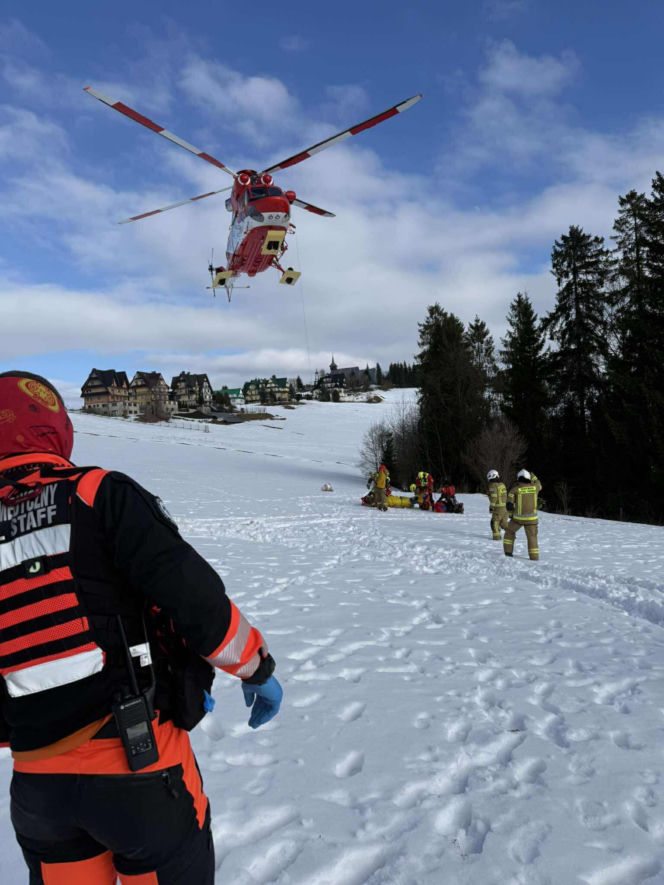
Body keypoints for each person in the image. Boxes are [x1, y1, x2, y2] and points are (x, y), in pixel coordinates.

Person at [0, 371, 283, 884]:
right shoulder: (96, 494)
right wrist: (255, 669)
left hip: (38, 788)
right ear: (55, 428)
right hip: (139, 768)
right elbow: (192, 597)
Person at [503, 468, 542, 561]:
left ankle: (508, 553)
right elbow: (539, 484)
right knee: (532, 537)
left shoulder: (515, 489)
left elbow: (509, 504)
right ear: (529, 478)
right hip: (532, 519)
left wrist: (510, 511)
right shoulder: (535, 487)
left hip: (518, 519)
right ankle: (534, 558)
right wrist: (534, 477)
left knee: (509, 532)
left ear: (518, 479)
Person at [486, 469, 508, 540]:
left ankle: (496, 537)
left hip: (498, 507)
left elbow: (494, 497)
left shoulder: (493, 485)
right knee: (503, 523)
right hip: (505, 507)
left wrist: (491, 507)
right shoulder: (502, 484)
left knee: (494, 522)